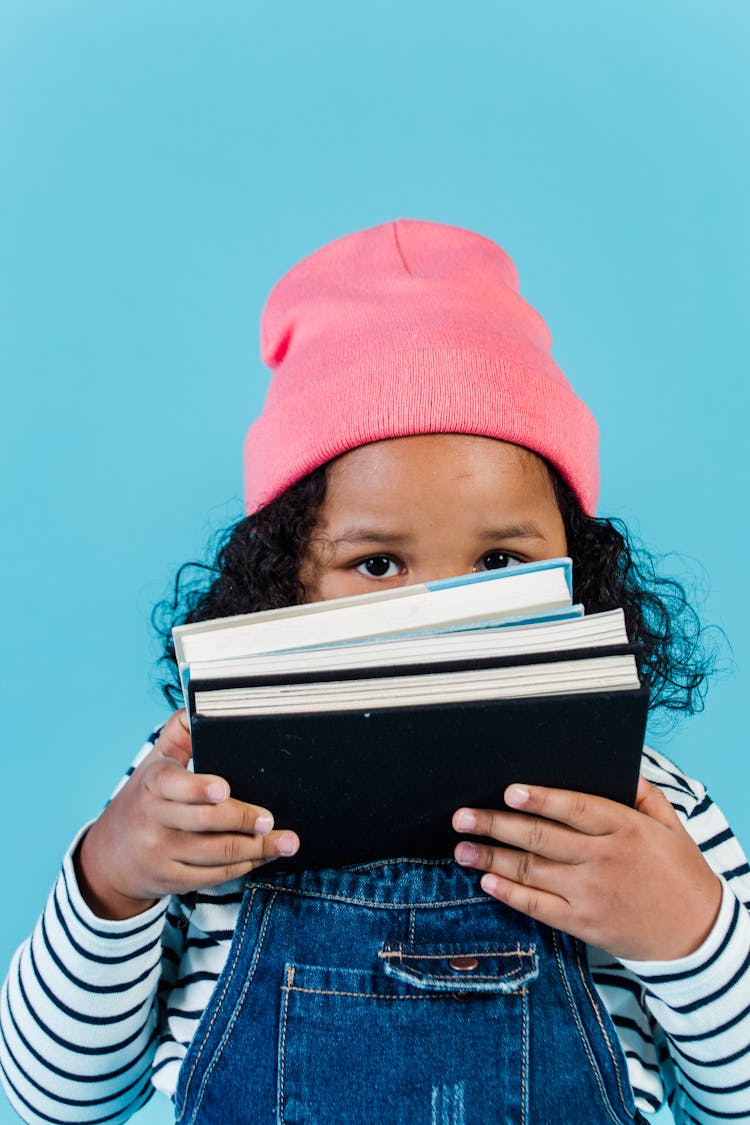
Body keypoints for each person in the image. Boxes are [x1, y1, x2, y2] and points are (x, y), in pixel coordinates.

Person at [1, 220, 748, 1124]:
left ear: (578, 571)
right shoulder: (189, 797)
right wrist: (111, 879)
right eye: (381, 564)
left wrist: (689, 935)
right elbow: (52, 1098)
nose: (441, 611)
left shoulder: (641, 812)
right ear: (285, 582)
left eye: (501, 563)